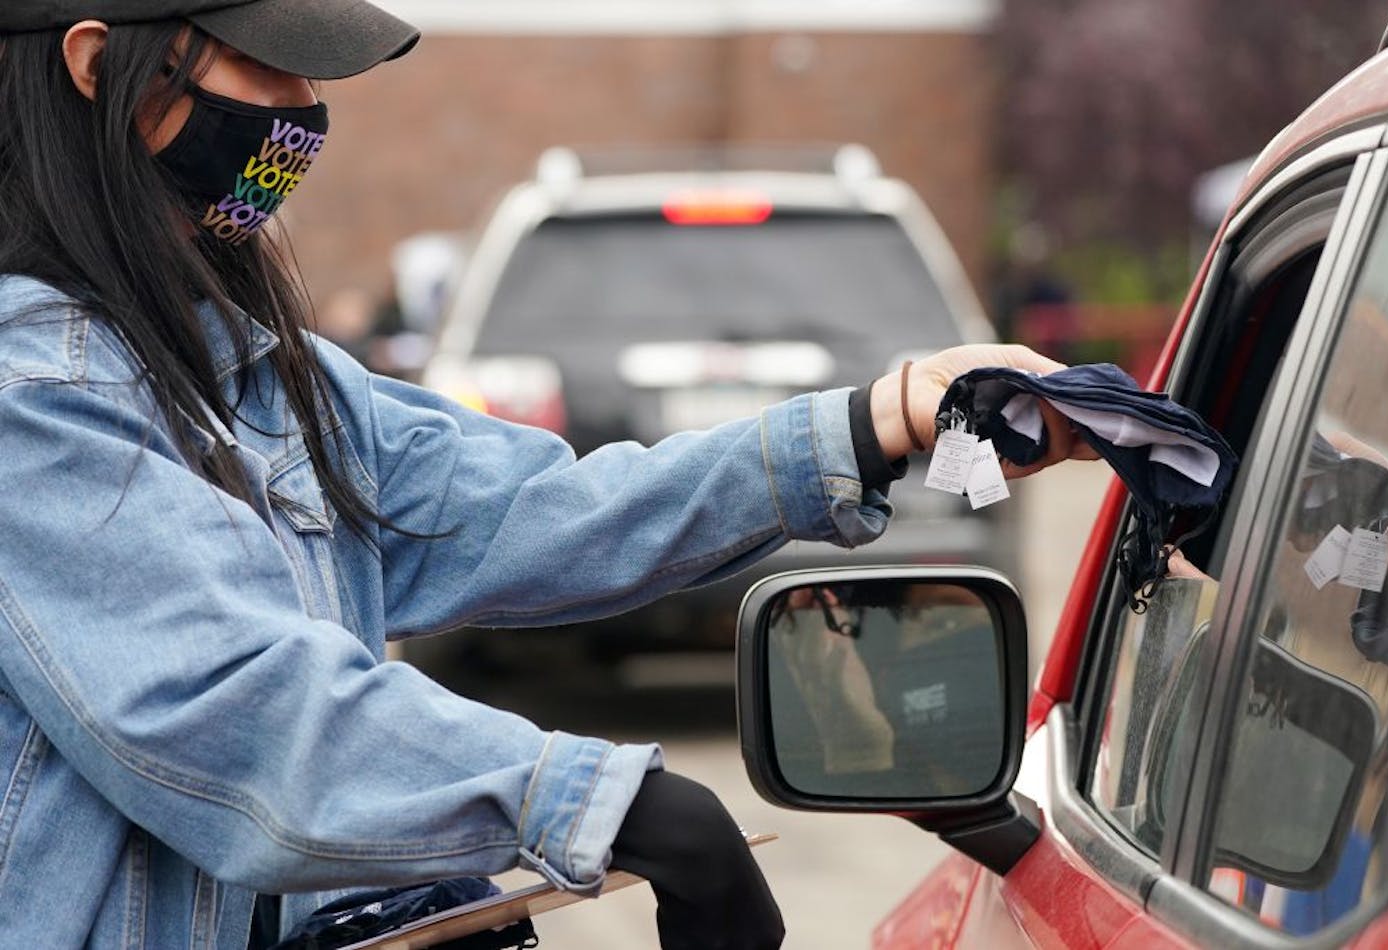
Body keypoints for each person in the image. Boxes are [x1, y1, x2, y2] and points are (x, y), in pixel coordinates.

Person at [0, 3, 1090, 947]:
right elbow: (231, 707)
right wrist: (598, 801)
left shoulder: (251, 372)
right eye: (267, 64)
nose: (303, 105)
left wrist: (873, 422)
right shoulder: (30, 397)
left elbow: (539, 508)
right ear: (100, 66)